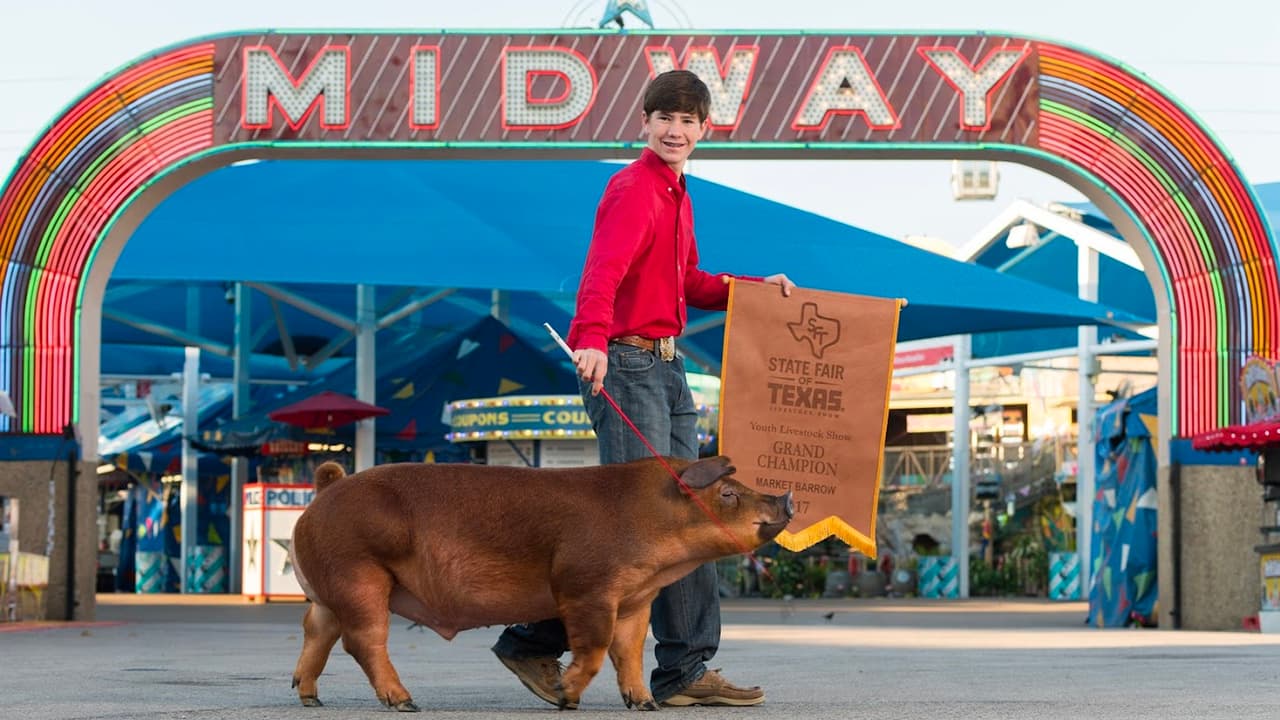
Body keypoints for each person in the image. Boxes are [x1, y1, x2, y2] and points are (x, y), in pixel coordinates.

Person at [490, 69, 796, 708]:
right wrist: (593, 339)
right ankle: (532, 641)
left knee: (695, 515)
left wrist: (751, 289)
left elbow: (689, 282)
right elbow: (603, 270)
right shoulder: (633, 188)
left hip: (669, 366)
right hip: (627, 364)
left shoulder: (679, 194)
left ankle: (684, 670)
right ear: (645, 122)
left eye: (688, 121)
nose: (675, 130)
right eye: (664, 118)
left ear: (704, 130)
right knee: (636, 533)